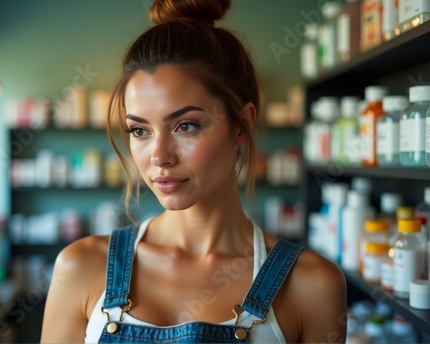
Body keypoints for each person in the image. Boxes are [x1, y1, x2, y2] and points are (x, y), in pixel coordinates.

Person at [40, 0, 347, 342]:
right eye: (140, 130)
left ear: (242, 126)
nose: (159, 156)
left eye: (186, 126)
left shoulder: (312, 284)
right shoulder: (80, 266)